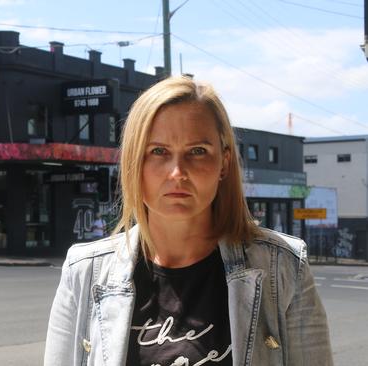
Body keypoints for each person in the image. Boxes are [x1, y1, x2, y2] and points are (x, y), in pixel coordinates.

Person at [44, 77, 332, 366]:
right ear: (133, 162)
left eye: (197, 151)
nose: (177, 172)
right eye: (158, 151)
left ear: (224, 163)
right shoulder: (84, 272)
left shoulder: (283, 267)